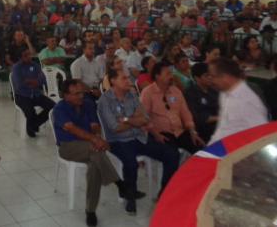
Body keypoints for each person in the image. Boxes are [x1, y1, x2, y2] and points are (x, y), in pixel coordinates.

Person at [98, 70, 180, 213]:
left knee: (172, 154)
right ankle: (130, 196)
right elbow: (115, 127)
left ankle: (164, 192)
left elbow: (145, 119)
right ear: (113, 81)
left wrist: (126, 119)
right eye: (123, 78)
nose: (128, 80)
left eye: (128, 78)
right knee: (131, 163)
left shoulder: (132, 95)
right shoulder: (105, 100)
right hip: (118, 141)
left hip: (139, 137)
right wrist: (135, 120)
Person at [52, 79, 125, 226]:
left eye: (82, 93)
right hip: (68, 147)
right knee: (95, 150)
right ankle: (120, 184)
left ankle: (90, 210)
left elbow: (94, 125)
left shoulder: (88, 104)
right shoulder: (60, 109)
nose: (81, 96)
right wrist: (95, 140)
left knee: (94, 165)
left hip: (89, 146)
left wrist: (97, 136)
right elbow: (72, 129)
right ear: (65, 95)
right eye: (76, 94)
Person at [140, 61, 205, 154]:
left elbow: (185, 113)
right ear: (157, 76)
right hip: (161, 133)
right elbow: (144, 117)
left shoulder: (176, 91)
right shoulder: (147, 93)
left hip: (179, 131)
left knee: (200, 147)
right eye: (167, 74)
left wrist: (192, 131)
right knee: (172, 155)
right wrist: (156, 134)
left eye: (171, 73)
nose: (171, 76)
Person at [209, 57, 268, 143]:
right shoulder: (224, 93)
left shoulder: (247, 101)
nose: (210, 80)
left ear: (226, 77)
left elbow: (261, 136)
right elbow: (223, 127)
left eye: (213, 76)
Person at [11, 48, 56, 137]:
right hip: (22, 95)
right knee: (30, 111)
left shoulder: (35, 65)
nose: (29, 57)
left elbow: (42, 79)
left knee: (53, 107)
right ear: (20, 57)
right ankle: (32, 126)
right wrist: (34, 81)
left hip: (36, 94)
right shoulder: (16, 67)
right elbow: (19, 84)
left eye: (29, 54)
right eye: (25, 55)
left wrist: (31, 81)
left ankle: (33, 124)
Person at [185, 63, 219, 143]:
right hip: (205, 130)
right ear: (197, 78)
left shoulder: (214, 90)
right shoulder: (191, 94)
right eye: (206, 76)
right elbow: (199, 118)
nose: (210, 78)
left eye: (211, 75)